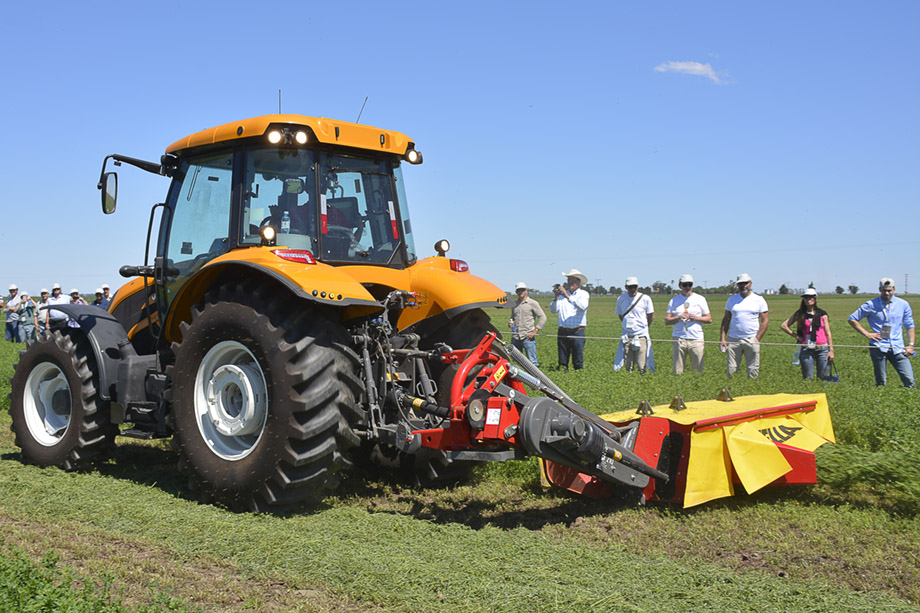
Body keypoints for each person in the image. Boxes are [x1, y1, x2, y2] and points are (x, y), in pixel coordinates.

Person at [848, 277, 915, 387]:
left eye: (889, 290)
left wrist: (911, 345)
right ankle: (880, 395)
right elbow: (852, 319)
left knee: (909, 379)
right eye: (884, 290)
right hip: (878, 346)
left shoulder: (903, 304)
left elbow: (910, 325)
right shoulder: (871, 304)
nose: (887, 293)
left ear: (894, 289)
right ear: (879, 290)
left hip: (898, 347)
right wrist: (867, 334)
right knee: (881, 381)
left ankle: (909, 395)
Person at [720, 273, 769, 378]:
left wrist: (757, 338)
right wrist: (723, 339)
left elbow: (765, 321)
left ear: (750, 283)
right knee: (731, 370)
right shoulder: (731, 300)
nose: (743, 286)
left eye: (745, 283)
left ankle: (751, 388)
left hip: (751, 338)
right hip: (733, 339)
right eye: (740, 284)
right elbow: (726, 320)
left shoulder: (759, 299)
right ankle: (732, 387)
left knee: (753, 370)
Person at [780, 288, 835, 380]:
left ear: (816, 299)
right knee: (808, 378)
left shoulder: (822, 314)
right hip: (806, 348)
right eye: (806, 297)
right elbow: (783, 326)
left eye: (811, 297)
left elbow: (828, 332)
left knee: (823, 378)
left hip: (822, 348)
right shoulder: (800, 314)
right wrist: (797, 336)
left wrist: (831, 350)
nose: (808, 299)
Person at [665, 274, 712, 374]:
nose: (687, 287)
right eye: (685, 285)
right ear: (680, 285)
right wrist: (678, 318)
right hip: (679, 338)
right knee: (677, 371)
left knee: (698, 370)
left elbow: (709, 319)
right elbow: (667, 320)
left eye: (689, 285)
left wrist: (696, 318)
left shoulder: (700, 299)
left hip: (696, 339)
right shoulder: (674, 300)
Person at [549, 269, 590, 371]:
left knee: (578, 360)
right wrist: (556, 297)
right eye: (569, 280)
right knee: (562, 360)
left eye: (573, 280)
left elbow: (582, 306)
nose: (571, 282)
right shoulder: (561, 296)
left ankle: (579, 375)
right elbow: (553, 310)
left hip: (577, 331)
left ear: (579, 282)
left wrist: (567, 296)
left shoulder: (583, 294)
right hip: (563, 331)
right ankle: (563, 372)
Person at [614, 277, 655, 373]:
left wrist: (643, 328)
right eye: (630, 287)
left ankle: (642, 379)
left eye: (634, 287)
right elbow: (620, 315)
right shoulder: (621, 299)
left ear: (638, 287)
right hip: (627, 336)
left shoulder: (645, 298)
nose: (632, 289)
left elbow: (651, 316)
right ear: (626, 287)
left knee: (642, 365)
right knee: (628, 365)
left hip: (641, 336)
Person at [509, 282, 547, 367]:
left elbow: (543, 317)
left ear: (526, 291)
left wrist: (535, 331)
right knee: (515, 361)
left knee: (532, 362)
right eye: (518, 290)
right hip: (515, 336)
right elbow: (513, 317)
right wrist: (511, 322)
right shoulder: (514, 304)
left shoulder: (533, 303)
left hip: (528, 337)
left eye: (522, 290)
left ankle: (535, 375)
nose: (520, 292)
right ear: (516, 292)